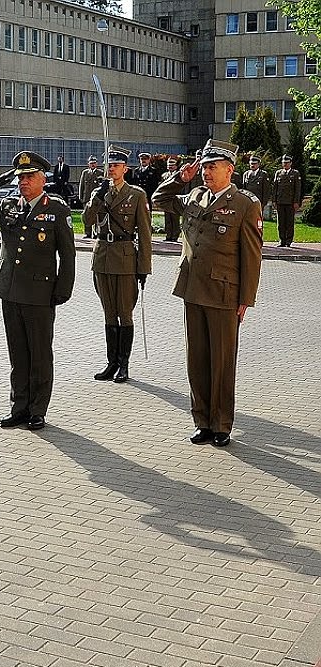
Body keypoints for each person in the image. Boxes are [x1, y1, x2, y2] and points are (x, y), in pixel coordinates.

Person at [152, 139, 263, 448]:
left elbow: (252, 257)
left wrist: (246, 300)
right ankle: (201, 421)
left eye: (212, 167)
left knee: (222, 362)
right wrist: (179, 178)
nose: (205, 172)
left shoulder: (245, 204)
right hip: (193, 289)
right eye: (203, 166)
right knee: (196, 360)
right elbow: (159, 199)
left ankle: (222, 424)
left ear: (230, 169)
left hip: (224, 293)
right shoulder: (194, 196)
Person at [0, 151, 76, 431]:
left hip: (40, 291)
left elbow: (68, 255)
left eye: (29, 177)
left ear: (42, 179)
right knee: (17, 353)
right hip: (11, 289)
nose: (23, 182)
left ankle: (38, 409)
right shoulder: (9, 205)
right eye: (19, 177)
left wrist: (62, 289)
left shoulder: (56, 209)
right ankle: (19, 407)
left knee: (40, 353)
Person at [82, 146, 152, 383]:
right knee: (108, 313)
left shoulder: (136, 195)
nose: (111, 169)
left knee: (124, 313)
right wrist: (97, 197)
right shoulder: (99, 192)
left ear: (125, 168)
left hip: (124, 260)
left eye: (116, 165)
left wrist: (143, 267)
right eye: (109, 165)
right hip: (102, 256)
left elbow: (144, 234)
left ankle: (124, 365)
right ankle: (111, 363)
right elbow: (87, 221)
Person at [273, 154, 301, 247]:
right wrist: (274, 200)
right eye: (284, 163)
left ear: (291, 163)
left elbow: (297, 189)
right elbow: (275, 188)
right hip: (280, 201)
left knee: (289, 222)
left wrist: (296, 202)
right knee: (281, 222)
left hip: (290, 202)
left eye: (287, 163)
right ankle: (282, 240)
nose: (285, 164)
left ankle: (289, 241)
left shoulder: (295, 173)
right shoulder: (278, 173)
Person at [78, 155, 104, 238]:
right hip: (87, 198)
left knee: (97, 216)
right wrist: (81, 197)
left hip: (97, 199)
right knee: (87, 215)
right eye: (91, 163)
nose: (93, 165)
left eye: (94, 163)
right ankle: (87, 233)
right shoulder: (85, 172)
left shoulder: (100, 173)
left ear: (97, 164)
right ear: (88, 164)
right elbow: (81, 185)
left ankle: (96, 233)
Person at [161, 157, 183, 241]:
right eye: (169, 165)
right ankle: (168, 235)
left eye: (172, 165)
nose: (170, 166)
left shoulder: (178, 175)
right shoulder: (164, 175)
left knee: (174, 218)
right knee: (167, 218)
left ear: (176, 166)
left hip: (175, 198)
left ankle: (175, 235)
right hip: (165, 199)